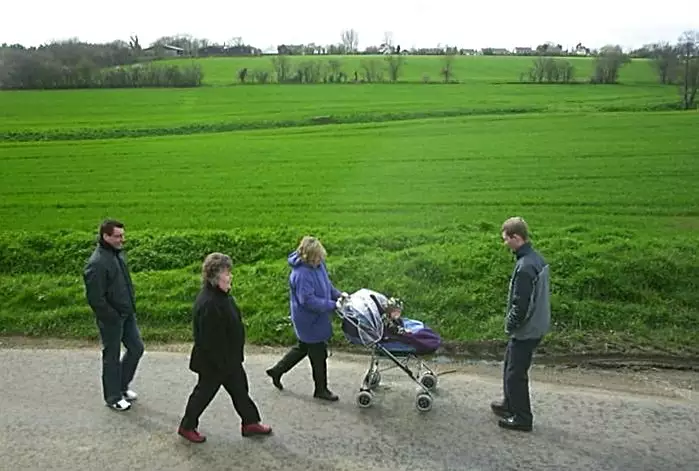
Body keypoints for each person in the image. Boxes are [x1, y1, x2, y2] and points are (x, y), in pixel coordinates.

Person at [178, 252, 272, 443]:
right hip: (215, 363)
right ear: (215, 277)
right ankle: (187, 426)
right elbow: (208, 340)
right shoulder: (209, 304)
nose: (230, 276)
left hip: (229, 359)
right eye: (226, 273)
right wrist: (223, 364)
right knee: (203, 394)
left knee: (240, 390)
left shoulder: (221, 296)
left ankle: (250, 423)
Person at [265, 236, 347, 401]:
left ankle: (277, 370)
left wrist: (339, 295)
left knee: (303, 347)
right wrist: (333, 305)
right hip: (308, 320)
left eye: (320, 257)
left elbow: (327, 285)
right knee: (318, 354)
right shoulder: (301, 274)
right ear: (307, 257)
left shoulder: (318, 265)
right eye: (316, 258)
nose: (319, 261)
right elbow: (307, 300)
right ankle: (321, 390)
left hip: (317, 317)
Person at [491, 217, 551, 432]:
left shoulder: (525, 267)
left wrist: (510, 325)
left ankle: (522, 417)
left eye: (506, 239)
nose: (505, 244)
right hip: (536, 324)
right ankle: (509, 404)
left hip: (527, 329)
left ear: (516, 237)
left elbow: (521, 305)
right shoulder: (536, 259)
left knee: (516, 373)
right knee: (509, 365)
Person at [83, 219, 144, 412]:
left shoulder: (117, 255)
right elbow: (95, 298)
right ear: (105, 236)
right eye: (117, 236)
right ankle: (113, 397)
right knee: (111, 356)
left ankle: (122, 386)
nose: (122, 240)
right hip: (112, 318)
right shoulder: (97, 263)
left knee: (136, 348)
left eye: (122, 235)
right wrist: (112, 316)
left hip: (127, 314)